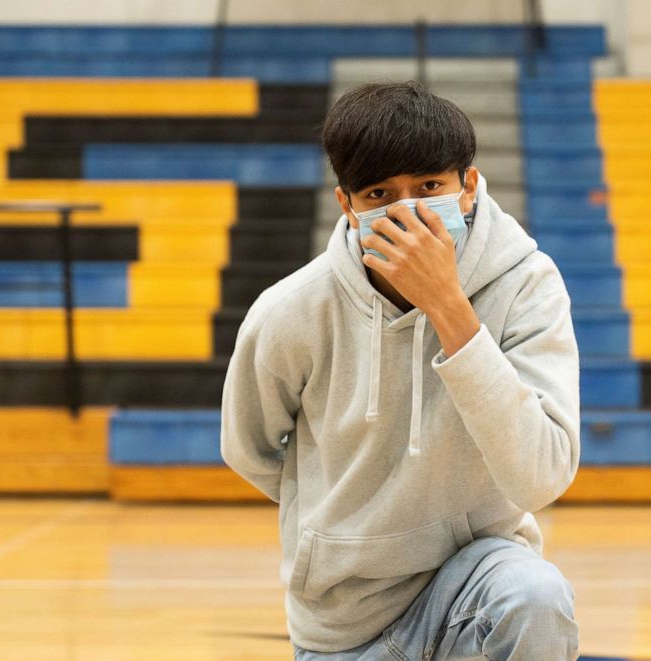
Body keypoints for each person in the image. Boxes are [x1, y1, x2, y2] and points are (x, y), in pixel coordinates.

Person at [221, 81, 581, 660]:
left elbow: (542, 476)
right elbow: (249, 449)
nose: (408, 211)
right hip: (345, 623)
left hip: (476, 582)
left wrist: (449, 308)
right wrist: (336, 524)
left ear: (468, 184)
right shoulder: (291, 311)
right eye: (380, 194)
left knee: (533, 594)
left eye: (430, 187)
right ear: (347, 204)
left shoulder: (527, 286)